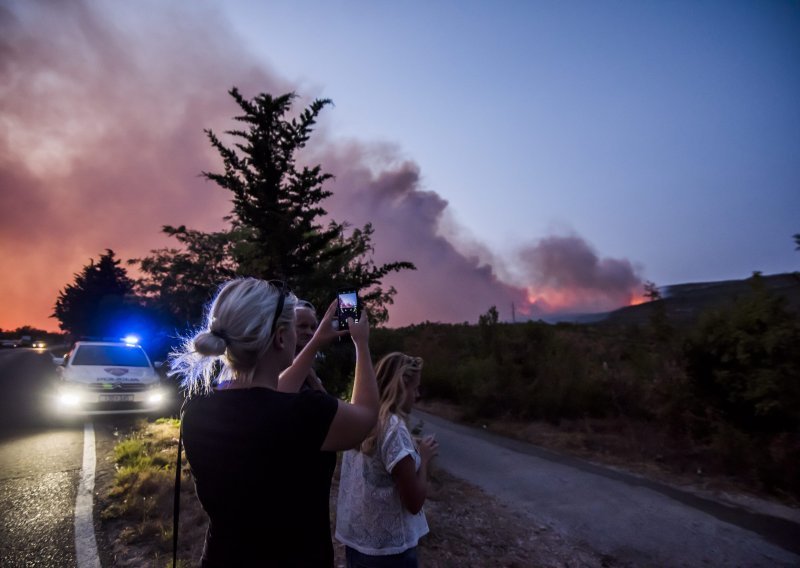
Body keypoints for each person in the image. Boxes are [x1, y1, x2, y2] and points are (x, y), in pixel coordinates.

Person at [171, 278, 378, 567]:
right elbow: (366, 415)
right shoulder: (304, 413)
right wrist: (361, 343)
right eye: (294, 327)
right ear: (281, 338)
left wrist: (317, 339)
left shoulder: (195, 409)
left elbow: (265, 400)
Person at [335, 352, 439, 568]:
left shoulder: (360, 418)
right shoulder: (394, 428)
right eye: (415, 388)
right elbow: (414, 502)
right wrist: (425, 459)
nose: (417, 395)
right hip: (390, 553)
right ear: (401, 386)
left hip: (358, 545)